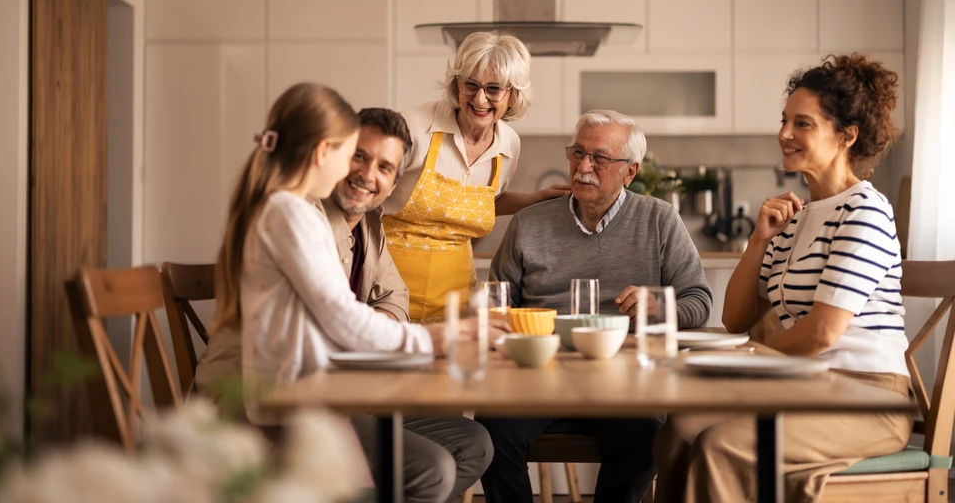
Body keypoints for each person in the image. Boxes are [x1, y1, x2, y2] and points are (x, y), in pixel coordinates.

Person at [209, 86, 494, 503]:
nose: (361, 172)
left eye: (384, 166)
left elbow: (378, 305)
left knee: (468, 443)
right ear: (327, 152)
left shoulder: (312, 214)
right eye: (354, 155)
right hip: (279, 405)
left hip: (316, 392)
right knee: (430, 471)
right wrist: (435, 338)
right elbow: (341, 317)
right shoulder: (296, 215)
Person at [653, 54, 913, 503]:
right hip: (804, 386)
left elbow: (820, 334)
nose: (784, 134)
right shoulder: (794, 217)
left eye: (803, 123)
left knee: (721, 446)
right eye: (784, 120)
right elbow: (736, 318)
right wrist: (757, 240)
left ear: (846, 136)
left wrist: (747, 365)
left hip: (867, 398)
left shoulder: (865, 211)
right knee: (680, 429)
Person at [478, 109, 713, 503]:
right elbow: (498, 303)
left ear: (630, 171)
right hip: (539, 372)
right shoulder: (528, 223)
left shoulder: (660, 219)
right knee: (490, 433)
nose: (584, 167)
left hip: (624, 379)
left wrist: (659, 307)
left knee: (646, 441)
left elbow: (699, 301)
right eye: (577, 153)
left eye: (599, 158)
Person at [382, 31, 569, 322]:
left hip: (456, 302)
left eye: (494, 89)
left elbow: (481, 201)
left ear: (513, 95)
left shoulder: (508, 145)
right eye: (471, 84)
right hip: (387, 296)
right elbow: (365, 196)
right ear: (457, 84)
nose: (479, 98)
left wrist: (534, 200)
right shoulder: (413, 127)